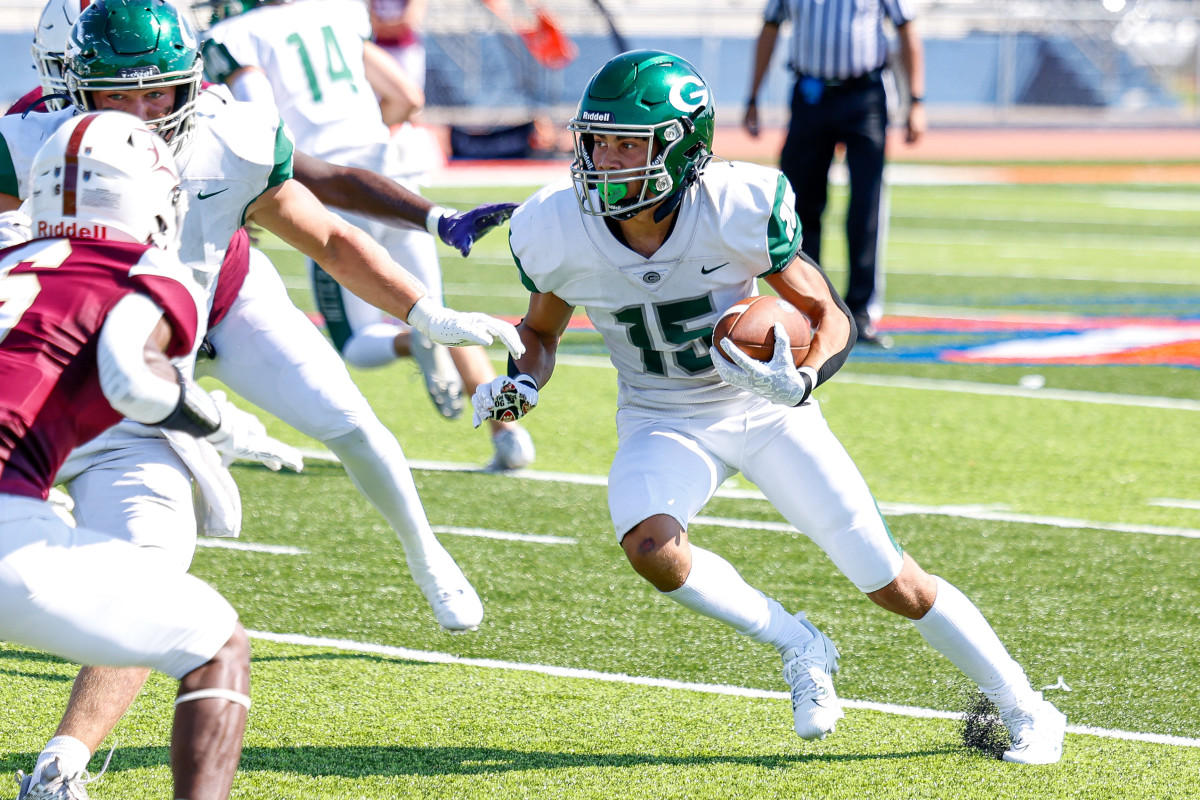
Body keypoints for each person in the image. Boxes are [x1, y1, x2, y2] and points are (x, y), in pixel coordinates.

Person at [473, 50, 1065, 764]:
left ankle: (1026, 707)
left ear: (683, 148)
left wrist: (804, 378)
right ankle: (798, 642)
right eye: (598, 139)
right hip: (662, 414)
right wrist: (522, 384)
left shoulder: (736, 204)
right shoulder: (554, 224)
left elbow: (828, 313)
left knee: (893, 583)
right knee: (651, 550)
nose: (607, 159)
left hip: (767, 408)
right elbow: (540, 332)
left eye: (631, 142)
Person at [1, 1, 526, 794]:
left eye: (161, 96)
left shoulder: (226, 135)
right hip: (125, 366)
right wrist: (215, 426)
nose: (147, 117)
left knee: (332, 430)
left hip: (192, 324)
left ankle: (63, 763)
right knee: (181, 599)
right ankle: (69, 758)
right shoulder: (48, 167)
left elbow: (324, 221)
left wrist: (424, 306)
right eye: (121, 99)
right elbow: (126, 372)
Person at [2, 110, 254, 800]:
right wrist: (223, 426)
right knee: (216, 646)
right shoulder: (142, 266)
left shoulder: (5, 255)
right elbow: (132, 381)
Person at [202, 0, 536, 471]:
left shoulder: (239, 35)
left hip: (327, 190)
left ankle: (409, 344)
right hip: (390, 180)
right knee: (437, 311)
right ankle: (509, 435)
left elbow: (260, 125)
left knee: (355, 344)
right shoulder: (335, 14)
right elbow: (406, 98)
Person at [744, 0, 926, 348]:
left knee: (866, 207)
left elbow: (907, 28)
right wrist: (753, 96)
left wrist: (915, 100)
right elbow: (770, 27)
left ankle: (860, 311)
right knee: (799, 207)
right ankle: (808, 309)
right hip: (810, 93)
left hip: (865, 93)